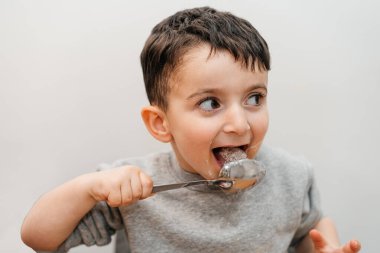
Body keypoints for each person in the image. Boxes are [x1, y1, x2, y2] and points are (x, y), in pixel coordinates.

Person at [21, 6, 361, 253]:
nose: (240, 123)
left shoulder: (291, 175)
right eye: (210, 103)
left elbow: (308, 227)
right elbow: (38, 238)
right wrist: (87, 187)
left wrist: (323, 246)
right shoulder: (133, 189)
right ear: (161, 123)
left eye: (254, 98)